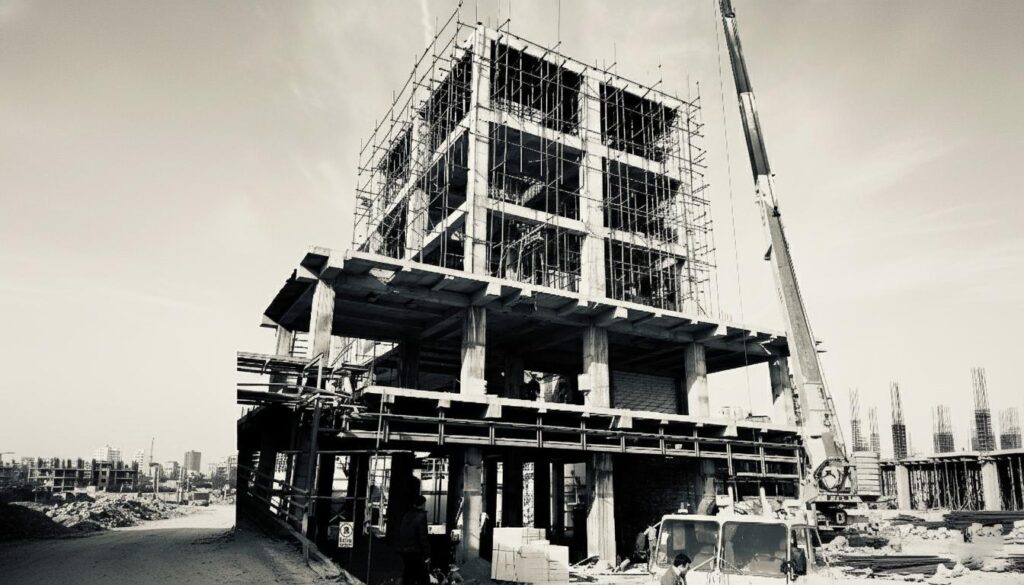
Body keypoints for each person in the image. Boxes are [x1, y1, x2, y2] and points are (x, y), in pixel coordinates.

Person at [397, 495, 430, 585]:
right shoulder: (421, 516)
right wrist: (427, 553)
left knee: (408, 575)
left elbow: (402, 532)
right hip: (416, 552)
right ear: (422, 504)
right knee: (423, 578)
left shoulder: (406, 515)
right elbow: (422, 536)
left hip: (405, 551)